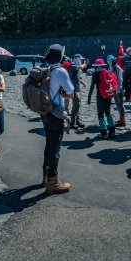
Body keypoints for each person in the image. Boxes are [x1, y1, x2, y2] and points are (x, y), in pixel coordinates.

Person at [40, 44, 74, 195]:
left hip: (44, 111)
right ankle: (53, 183)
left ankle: (45, 176)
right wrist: (63, 94)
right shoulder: (59, 71)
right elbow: (71, 92)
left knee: (49, 143)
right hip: (55, 113)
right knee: (56, 147)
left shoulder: (42, 68)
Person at [87, 58, 116, 139]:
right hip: (108, 94)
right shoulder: (106, 72)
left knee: (100, 113)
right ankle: (112, 131)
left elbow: (92, 86)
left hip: (100, 96)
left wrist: (89, 97)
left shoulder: (95, 74)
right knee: (108, 112)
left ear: (96, 65)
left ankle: (103, 133)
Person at [107, 55, 126, 127]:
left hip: (119, 88)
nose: (109, 62)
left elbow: (120, 80)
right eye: (108, 61)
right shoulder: (110, 68)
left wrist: (118, 89)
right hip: (114, 88)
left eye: (110, 61)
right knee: (117, 104)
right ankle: (120, 118)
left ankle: (123, 119)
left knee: (120, 104)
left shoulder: (117, 68)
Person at [68, 54, 86, 129]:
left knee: (78, 105)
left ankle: (77, 120)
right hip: (74, 89)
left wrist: (82, 83)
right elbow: (81, 66)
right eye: (81, 60)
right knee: (76, 105)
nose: (82, 61)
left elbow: (77, 77)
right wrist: (85, 64)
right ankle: (72, 122)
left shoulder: (76, 68)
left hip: (78, 88)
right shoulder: (73, 66)